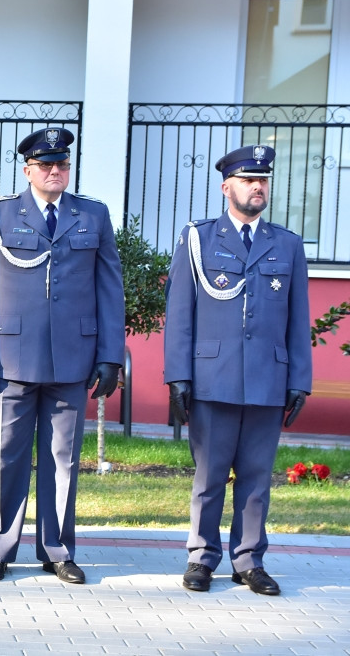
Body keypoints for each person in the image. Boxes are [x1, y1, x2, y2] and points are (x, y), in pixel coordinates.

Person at [0, 127, 125, 584]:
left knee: (63, 459)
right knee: (7, 455)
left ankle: (57, 550)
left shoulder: (93, 216)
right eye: (47, 165)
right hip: (11, 356)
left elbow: (110, 288)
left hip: (73, 357)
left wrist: (110, 355)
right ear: (28, 169)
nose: (56, 171)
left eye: (63, 165)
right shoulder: (0, 214)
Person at [164, 144, 311, 596]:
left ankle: (249, 560)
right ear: (227, 186)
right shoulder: (198, 239)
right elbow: (180, 313)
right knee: (209, 477)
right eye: (249, 180)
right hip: (213, 378)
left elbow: (297, 317)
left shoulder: (286, 244)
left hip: (268, 380)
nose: (258, 187)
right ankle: (202, 557)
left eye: (263, 180)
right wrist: (178, 376)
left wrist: (299, 380)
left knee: (255, 478)